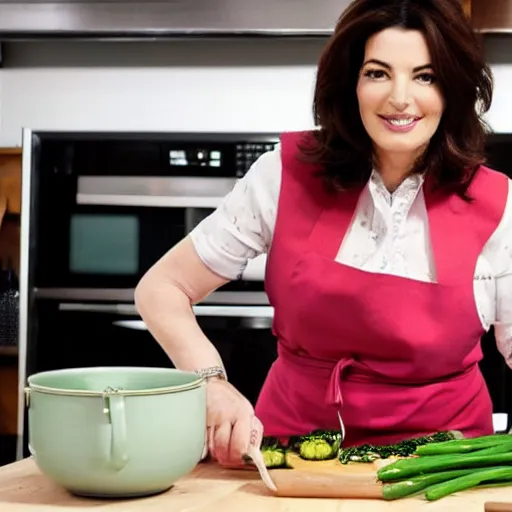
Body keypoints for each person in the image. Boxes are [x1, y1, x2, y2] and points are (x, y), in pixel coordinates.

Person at [134, 0, 512, 468]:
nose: (399, 97)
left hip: (444, 468)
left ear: (452, 88)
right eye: (377, 73)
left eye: (425, 76)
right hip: (291, 464)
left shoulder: (498, 204)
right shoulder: (283, 175)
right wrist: (209, 383)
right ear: (350, 81)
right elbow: (162, 287)